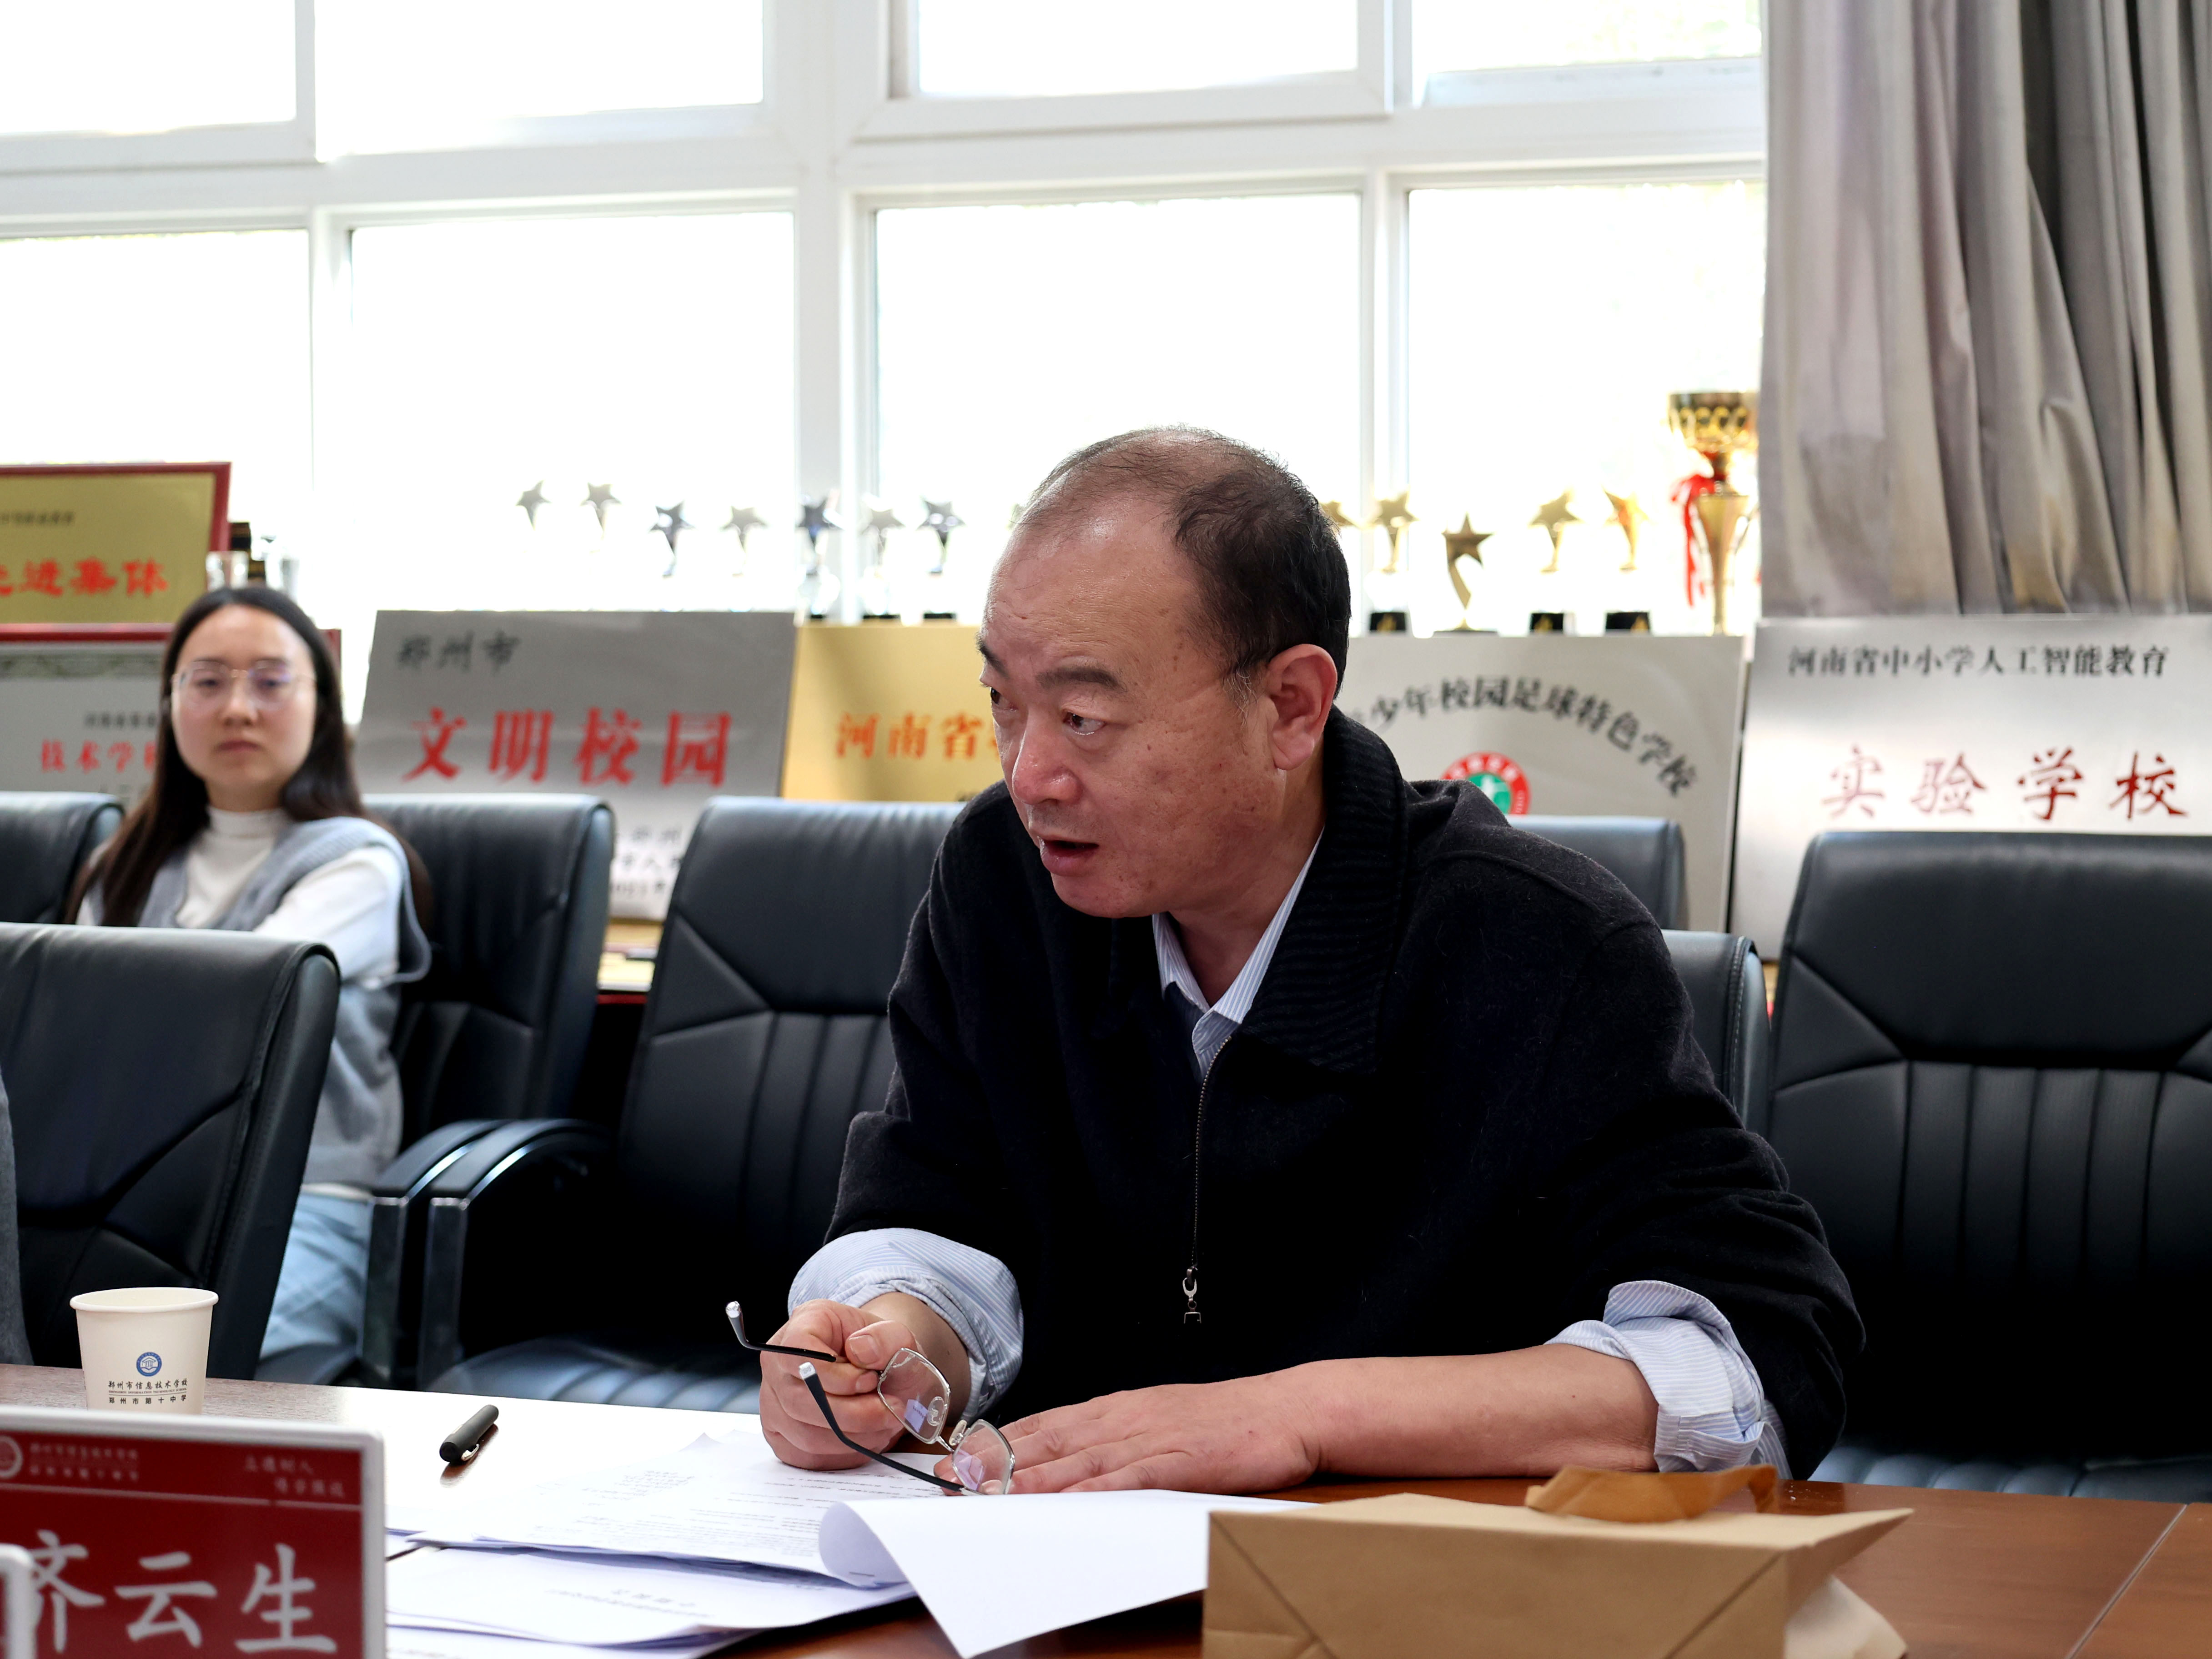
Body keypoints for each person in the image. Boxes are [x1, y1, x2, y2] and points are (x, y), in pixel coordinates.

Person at [759, 427, 1859, 1495]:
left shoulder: (1538, 944)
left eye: (1084, 716)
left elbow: (1751, 1360)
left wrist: (1301, 1415)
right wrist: (888, 1346)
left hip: (1407, 1576)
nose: (1029, 774)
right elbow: (939, 1207)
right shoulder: (1002, 880)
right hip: (1057, 1567)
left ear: (1290, 706)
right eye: (1005, 703)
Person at [72, 586, 429, 1369]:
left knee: (147, 1361)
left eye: (270, 681)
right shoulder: (123, 866)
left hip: (305, 1208)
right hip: (133, 1202)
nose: (238, 708)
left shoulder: (358, 865)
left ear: (322, 707)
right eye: (207, 681)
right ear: (170, 705)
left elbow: (236, 1019)